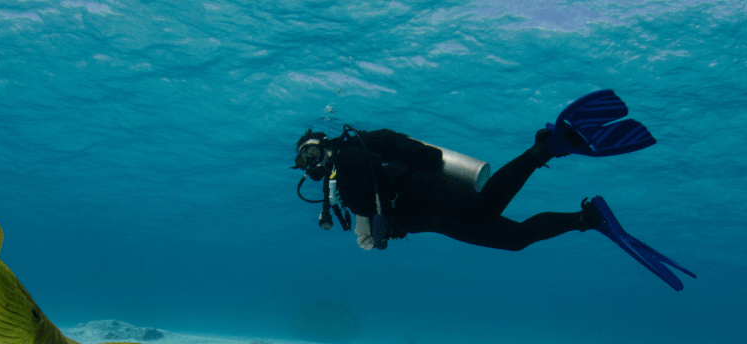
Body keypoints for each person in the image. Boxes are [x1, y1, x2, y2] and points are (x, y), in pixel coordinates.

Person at [292, 89, 696, 291]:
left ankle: (546, 147)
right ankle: (586, 217)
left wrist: (378, 226)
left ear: (322, 144)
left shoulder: (347, 158)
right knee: (515, 240)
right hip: (426, 216)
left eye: (310, 153)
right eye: (304, 160)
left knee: (484, 210)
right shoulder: (338, 179)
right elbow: (371, 220)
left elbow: (373, 200)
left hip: (416, 189)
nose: (310, 163)